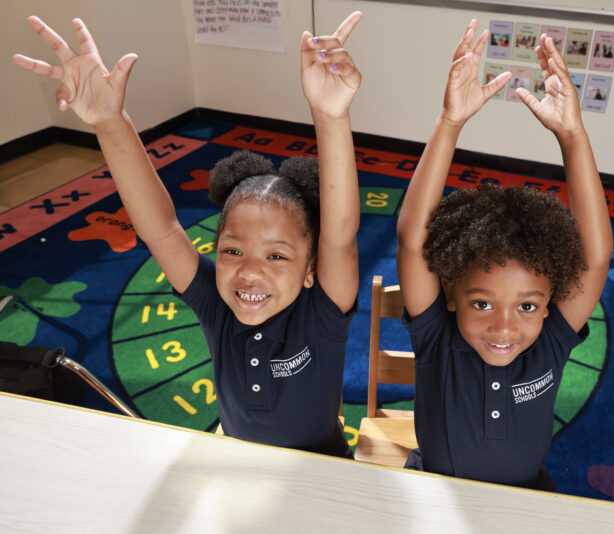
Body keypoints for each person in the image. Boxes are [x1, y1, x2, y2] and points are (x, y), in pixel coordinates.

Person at [13, 12, 363, 458]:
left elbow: (340, 235)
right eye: (233, 251)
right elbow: (160, 228)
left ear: (311, 270)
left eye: (277, 257)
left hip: (325, 471)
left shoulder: (323, 314)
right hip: (238, 466)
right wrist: (109, 122)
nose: (249, 272)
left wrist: (330, 115)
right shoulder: (217, 305)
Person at [396, 20, 613, 489]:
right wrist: (449, 122)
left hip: (525, 498)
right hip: (430, 491)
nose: (504, 326)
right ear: (449, 293)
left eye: (528, 306)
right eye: (481, 302)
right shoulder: (437, 338)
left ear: (551, 298)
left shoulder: (549, 343)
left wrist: (573, 136)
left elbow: (594, 259)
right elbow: (414, 239)